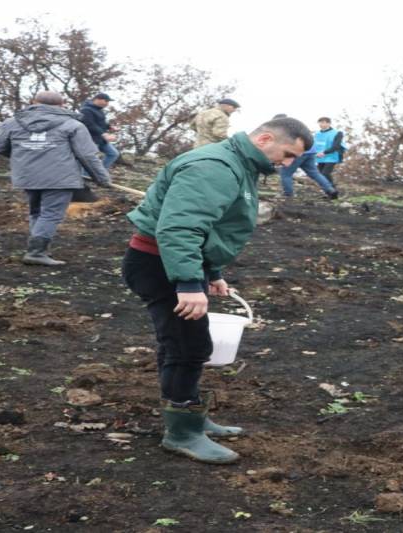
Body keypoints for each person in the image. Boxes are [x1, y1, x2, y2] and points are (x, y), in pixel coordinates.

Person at [122, 117, 311, 464]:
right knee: (189, 345)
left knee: (180, 341)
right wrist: (189, 284)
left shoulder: (238, 164)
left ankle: (191, 416)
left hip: (172, 263)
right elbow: (181, 226)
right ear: (265, 138)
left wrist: (211, 272)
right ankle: (182, 432)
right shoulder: (215, 167)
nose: (286, 164)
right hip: (159, 264)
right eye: (286, 154)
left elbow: (210, 226)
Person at [0, 90, 110, 266]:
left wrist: (23, 157)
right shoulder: (72, 125)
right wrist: (102, 179)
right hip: (60, 177)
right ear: (61, 105)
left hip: (28, 175)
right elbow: (87, 155)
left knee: (36, 211)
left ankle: (38, 248)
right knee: (51, 214)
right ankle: (36, 252)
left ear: (34, 102)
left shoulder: (12, 123)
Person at [80, 92, 119, 169]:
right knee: (90, 158)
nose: (107, 103)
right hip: (91, 139)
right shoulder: (86, 110)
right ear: (98, 99)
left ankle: (100, 172)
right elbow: (89, 125)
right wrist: (104, 134)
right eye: (106, 101)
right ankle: (86, 175)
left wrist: (110, 127)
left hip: (101, 139)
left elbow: (101, 123)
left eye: (108, 102)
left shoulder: (99, 110)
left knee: (113, 154)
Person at [314, 117, 345, 186]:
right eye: (320, 122)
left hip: (332, 156)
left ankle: (333, 192)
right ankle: (329, 192)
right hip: (320, 157)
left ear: (329, 123)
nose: (321, 124)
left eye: (323, 122)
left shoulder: (337, 133)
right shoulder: (317, 134)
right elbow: (315, 145)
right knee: (321, 175)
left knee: (325, 173)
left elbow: (336, 146)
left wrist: (324, 152)